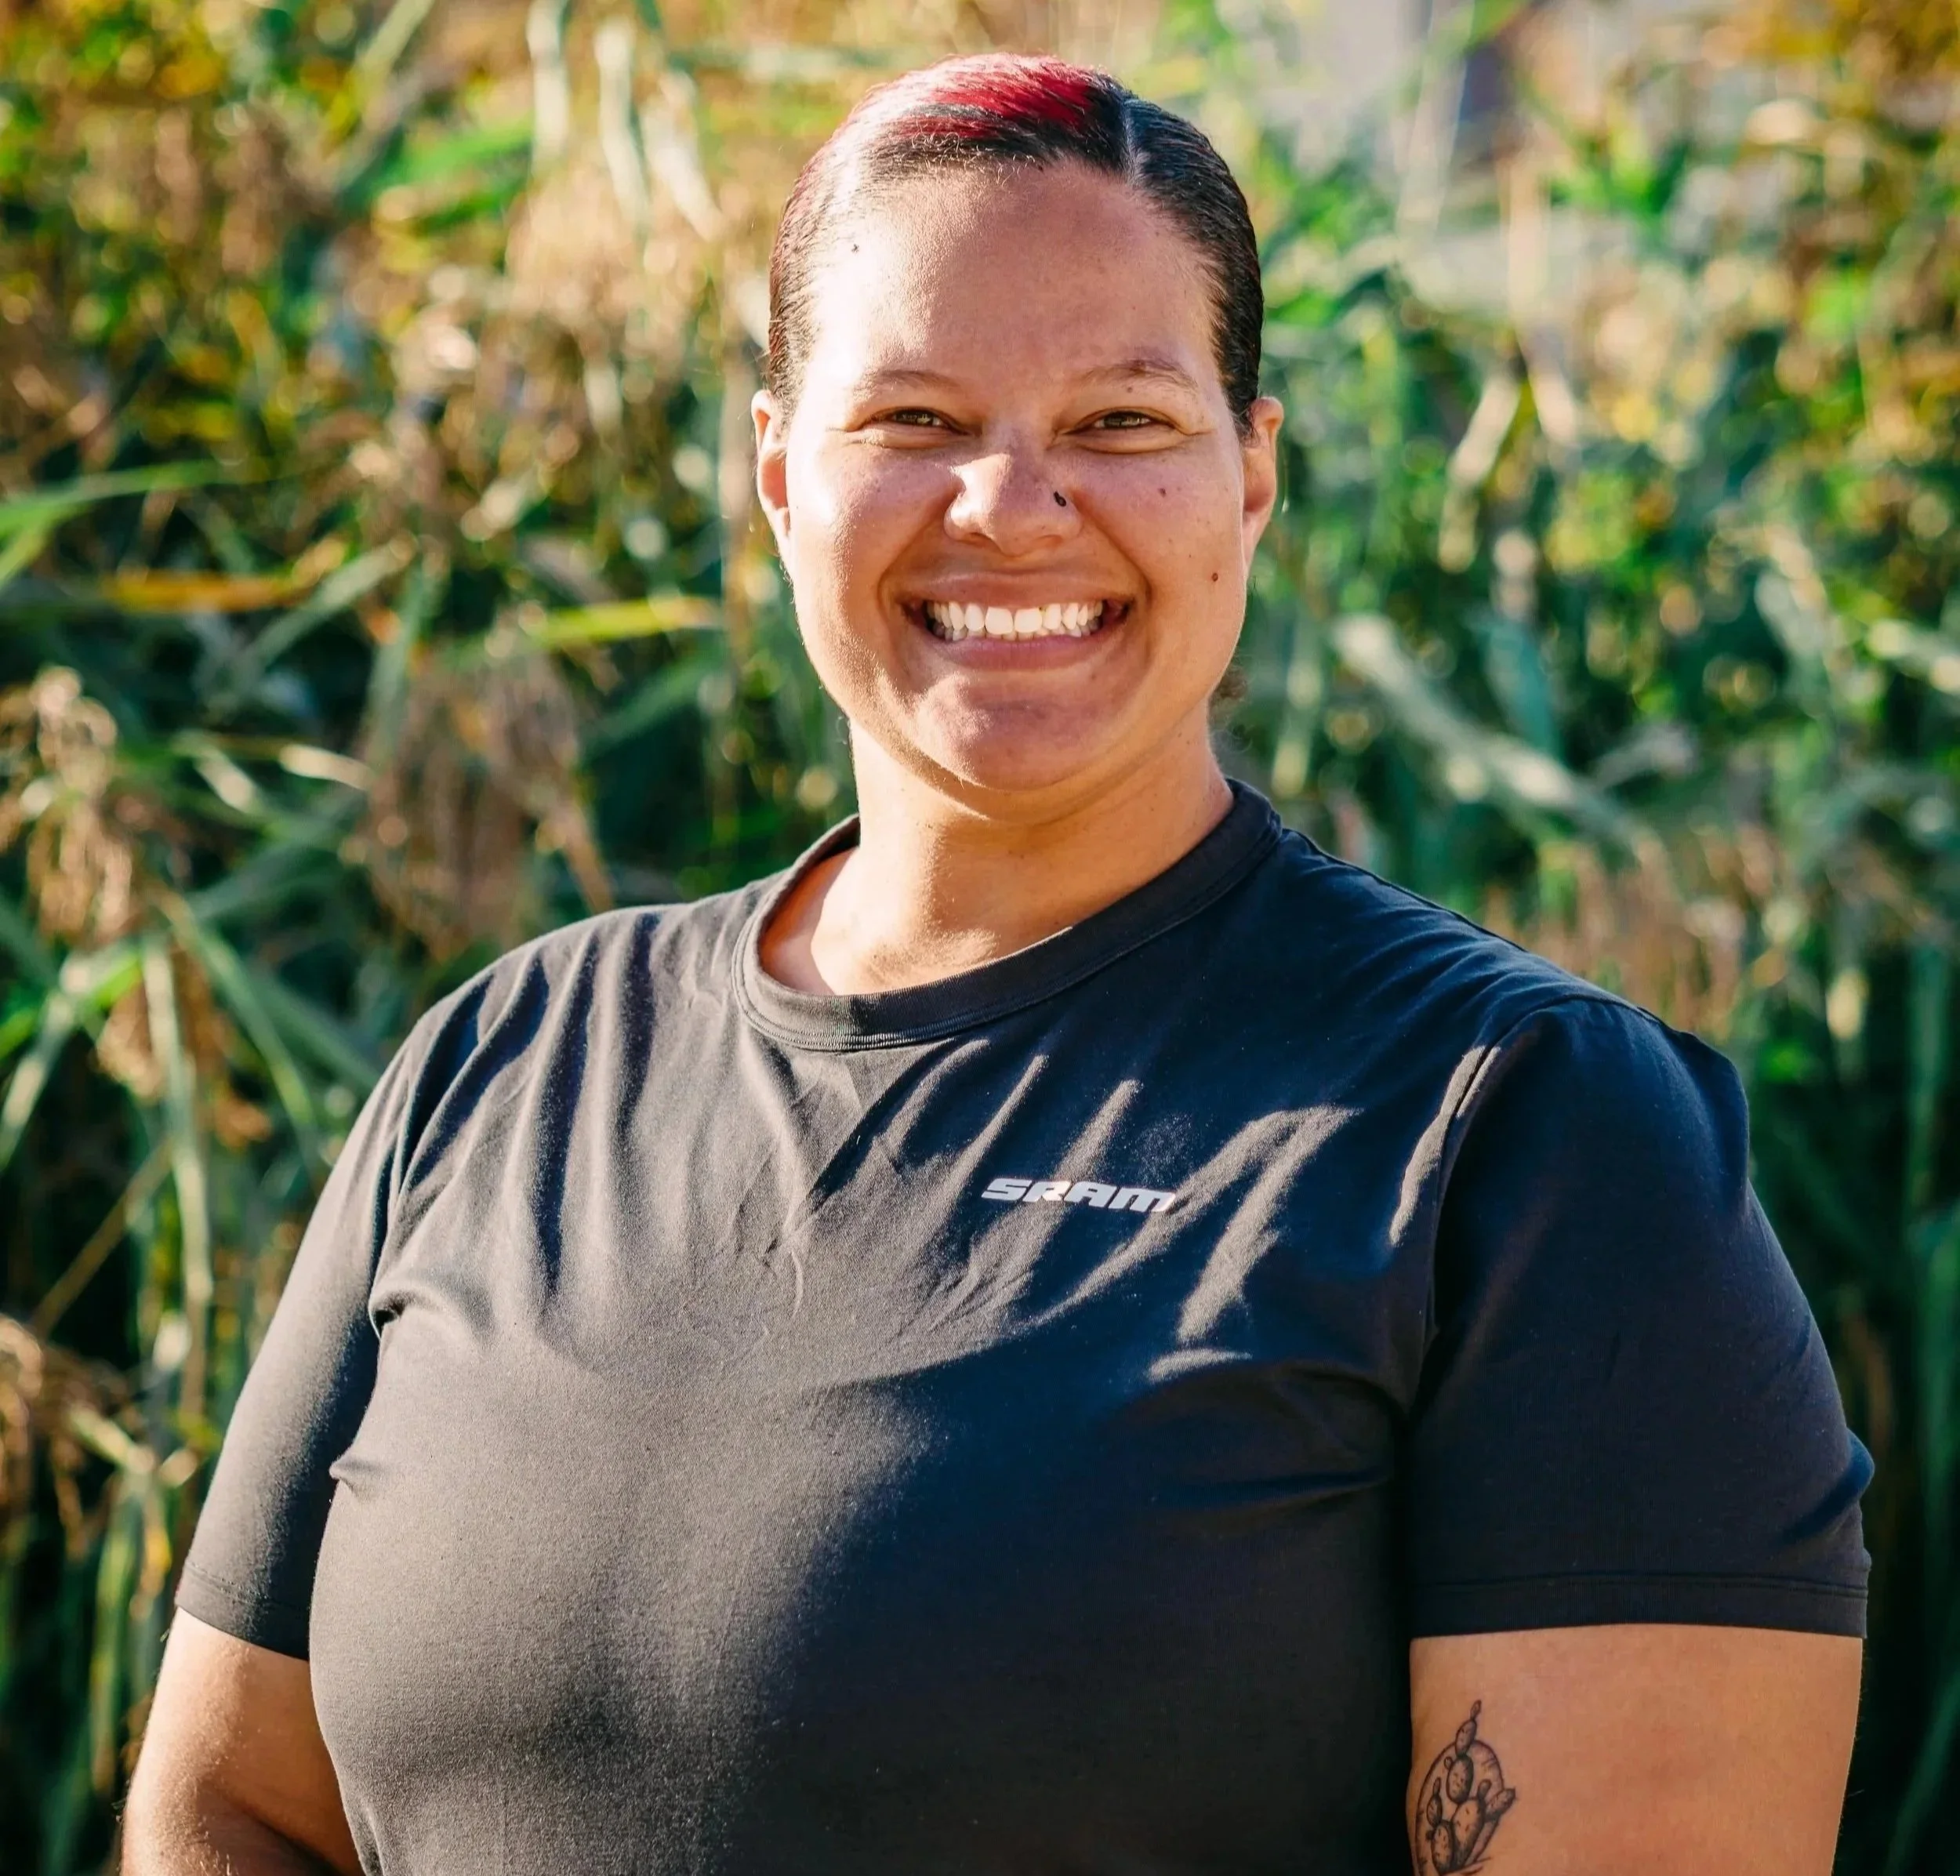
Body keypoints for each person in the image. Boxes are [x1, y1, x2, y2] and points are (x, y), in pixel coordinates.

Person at [125, 53, 1869, 1876]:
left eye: (1119, 419)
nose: (1011, 505)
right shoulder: (506, 1068)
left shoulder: (1521, 1134)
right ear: (776, 471)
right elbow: (230, 1806)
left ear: (1250, 474)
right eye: (913, 416)